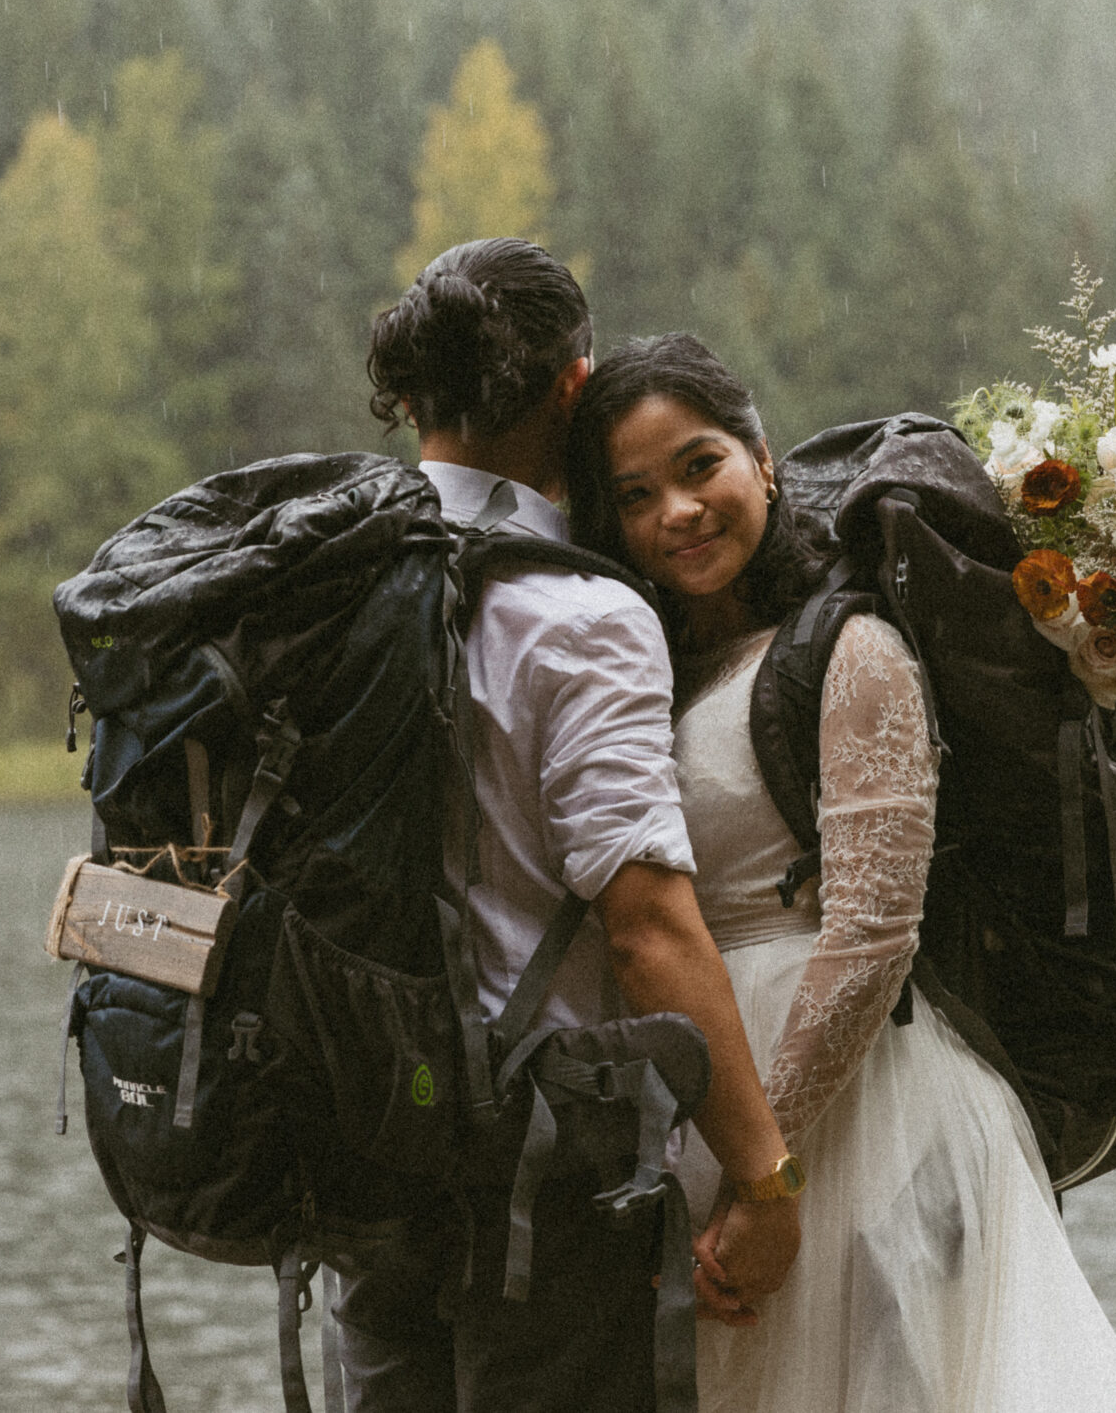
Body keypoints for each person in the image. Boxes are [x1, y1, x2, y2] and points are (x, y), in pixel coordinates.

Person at [563, 333, 1116, 1413]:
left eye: (700, 468)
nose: (678, 514)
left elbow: (874, 933)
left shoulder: (850, 649)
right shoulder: (646, 671)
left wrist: (766, 1170)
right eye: (636, 495)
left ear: (761, 456)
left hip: (862, 1121)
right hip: (713, 1115)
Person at [334, 244, 802, 1413]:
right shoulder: (582, 613)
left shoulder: (332, 582)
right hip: (543, 1155)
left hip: (360, 1130)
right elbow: (646, 927)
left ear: (408, 398)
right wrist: (765, 1182)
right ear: (570, 388)